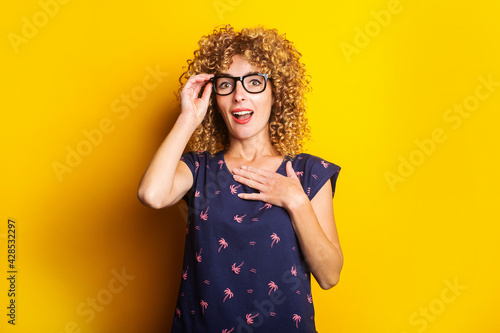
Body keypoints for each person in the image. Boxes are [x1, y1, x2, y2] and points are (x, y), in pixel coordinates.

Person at [137, 25, 343, 333]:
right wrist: (188, 118)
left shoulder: (308, 173)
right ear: (214, 96)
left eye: (254, 82)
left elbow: (329, 276)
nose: (239, 95)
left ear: (276, 92)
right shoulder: (198, 169)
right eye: (226, 85)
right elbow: (152, 195)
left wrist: (296, 200)